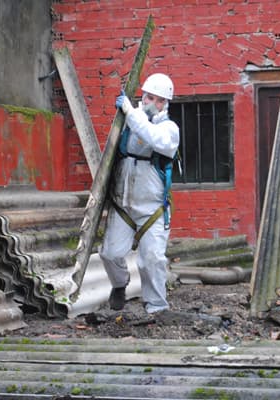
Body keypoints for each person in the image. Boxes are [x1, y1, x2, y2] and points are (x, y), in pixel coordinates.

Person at [99, 73, 180, 313]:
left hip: (152, 208)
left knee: (152, 260)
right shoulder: (128, 122)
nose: (150, 102)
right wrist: (127, 114)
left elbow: (152, 137)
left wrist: (129, 111)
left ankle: (156, 307)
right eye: (147, 96)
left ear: (165, 103)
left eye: (157, 99)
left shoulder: (169, 129)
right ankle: (119, 284)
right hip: (122, 204)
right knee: (109, 254)